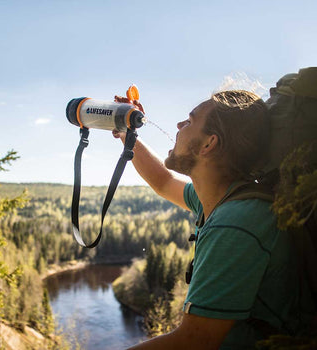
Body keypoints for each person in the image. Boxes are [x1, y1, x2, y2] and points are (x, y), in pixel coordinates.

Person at [113, 90, 312, 349]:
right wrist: (128, 135)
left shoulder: (237, 222)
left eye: (190, 121)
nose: (179, 125)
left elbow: (194, 341)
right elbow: (163, 181)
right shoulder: (222, 197)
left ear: (208, 144)